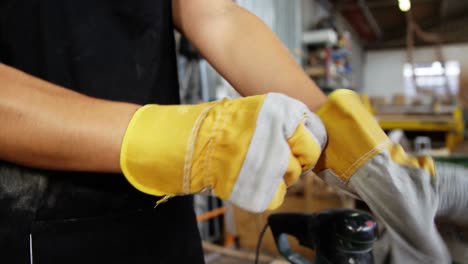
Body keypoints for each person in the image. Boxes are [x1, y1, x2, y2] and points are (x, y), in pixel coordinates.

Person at [0, 0, 466, 263]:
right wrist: (184, 142)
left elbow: (216, 15)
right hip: (35, 228)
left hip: (160, 218)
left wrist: (359, 150)